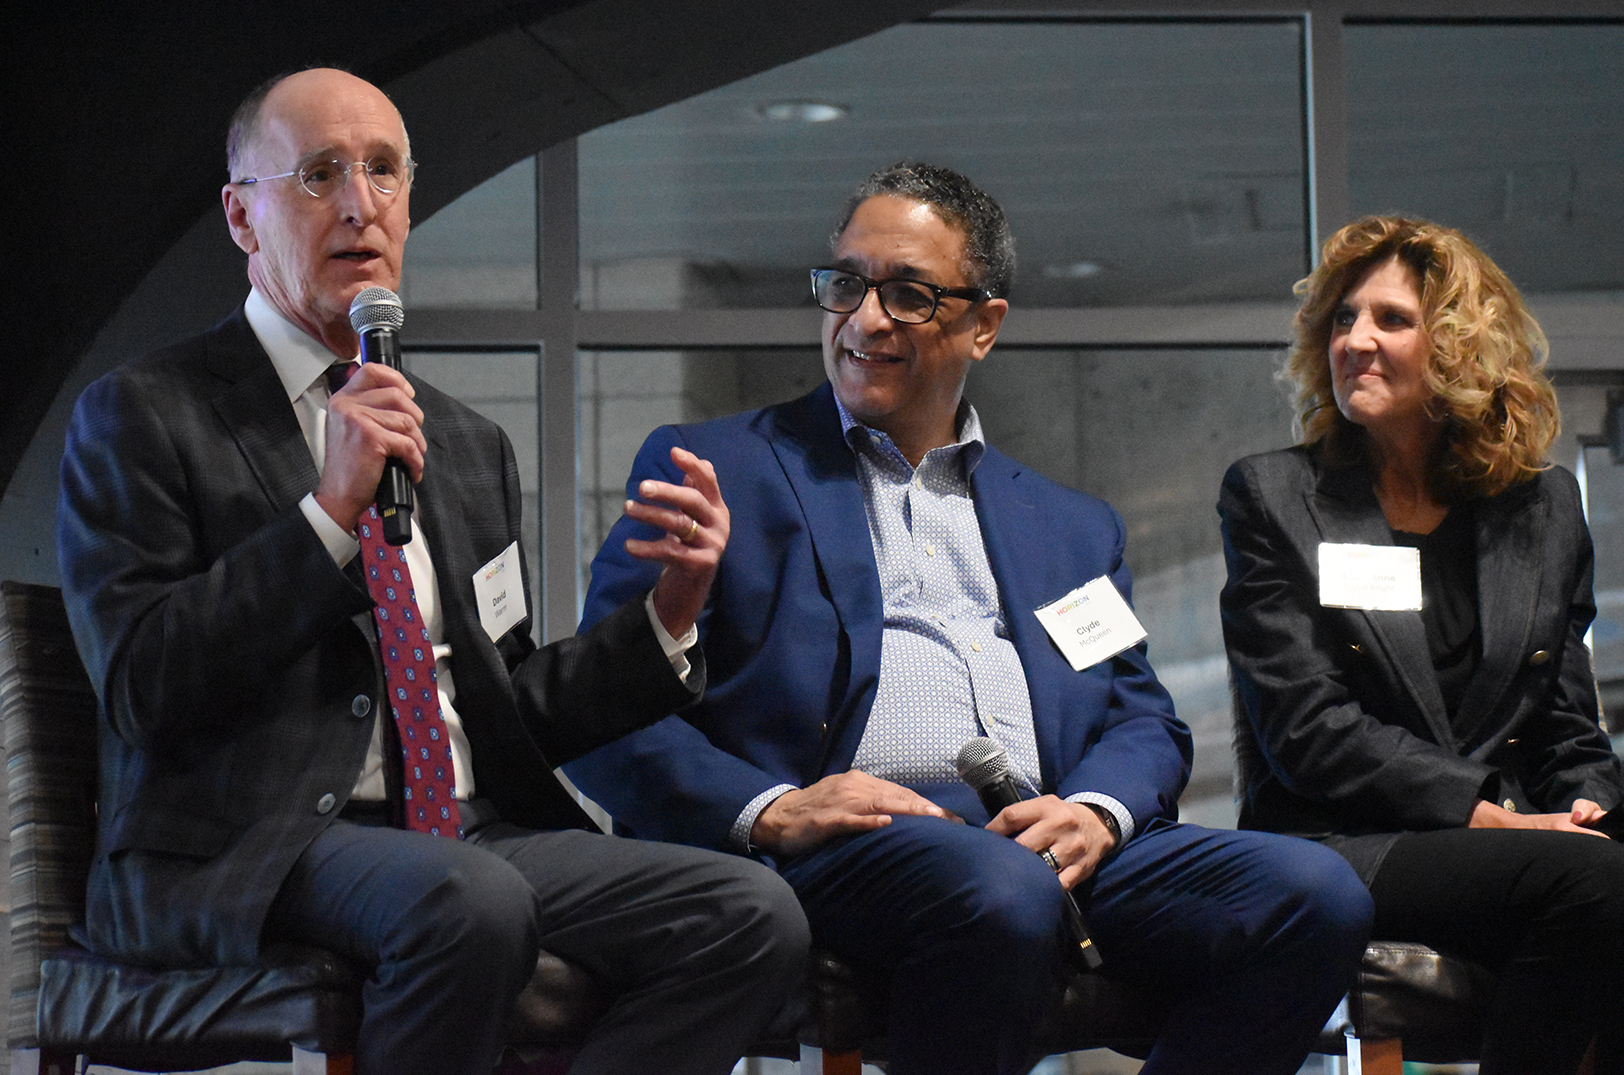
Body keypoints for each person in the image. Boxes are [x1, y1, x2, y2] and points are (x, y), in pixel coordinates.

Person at [56, 67, 809, 1075]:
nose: (360, 203)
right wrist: (327, 516)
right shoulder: (145, 412)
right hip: (250, 844)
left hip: (465, 829)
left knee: (748, 910)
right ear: (243, 217)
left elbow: (508, 707)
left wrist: (669, 617)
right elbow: (145, 688)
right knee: (467, 898)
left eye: (383, 170)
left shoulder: (460, 438)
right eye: (320, 173)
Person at [566, 161, 1373, 1075]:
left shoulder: (1070, 525)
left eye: (908, 294)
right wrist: (773, 808)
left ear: (984, 325)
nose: (865, 321)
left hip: (1049, 844)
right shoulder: (718, 470)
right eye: (845, 286)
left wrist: (1098, 813)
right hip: (848, 847)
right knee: (1000, 890)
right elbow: (603, 713)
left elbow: (1144, 719)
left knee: (1317, 893)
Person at [1219, 214, 1624, 1074]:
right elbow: (1306, 730)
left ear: (1460, 348)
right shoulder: (1273, 495)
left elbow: (1565, 719)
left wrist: (1587, 801)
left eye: (1390, 320)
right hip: (1345, 840)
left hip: (1505, 838)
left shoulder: (1543, 506)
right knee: (1593, 883)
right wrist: (1491, 814)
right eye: (1342, 318)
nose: (1356, 340)